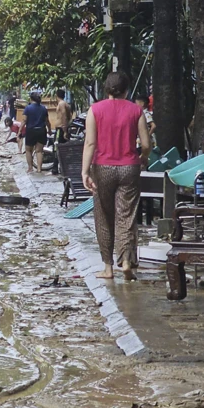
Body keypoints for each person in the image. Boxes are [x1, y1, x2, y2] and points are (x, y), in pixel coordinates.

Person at [82, 72, 152, 281]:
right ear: (126, 90)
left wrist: (85, 171)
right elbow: (146, 144)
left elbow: (90, 144)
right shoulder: (136, 110)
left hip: (102, 166)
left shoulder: (95, 110)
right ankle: (127, 261)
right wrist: (143, 158)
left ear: (106, 90)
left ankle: (108, 268)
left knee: (104, 216)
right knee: (126, 216)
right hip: (129, 167)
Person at [23, 92, 50, 172]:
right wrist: (50, 130)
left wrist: (20, 131)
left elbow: (24, 120)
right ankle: (39, 169)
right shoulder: (43, 108)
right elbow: (47, 121)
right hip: (41, 131)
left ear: (31, 99)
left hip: (30, 131)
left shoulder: (28, 108)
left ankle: (30, 168)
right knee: (39, 151)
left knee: (28, 150)